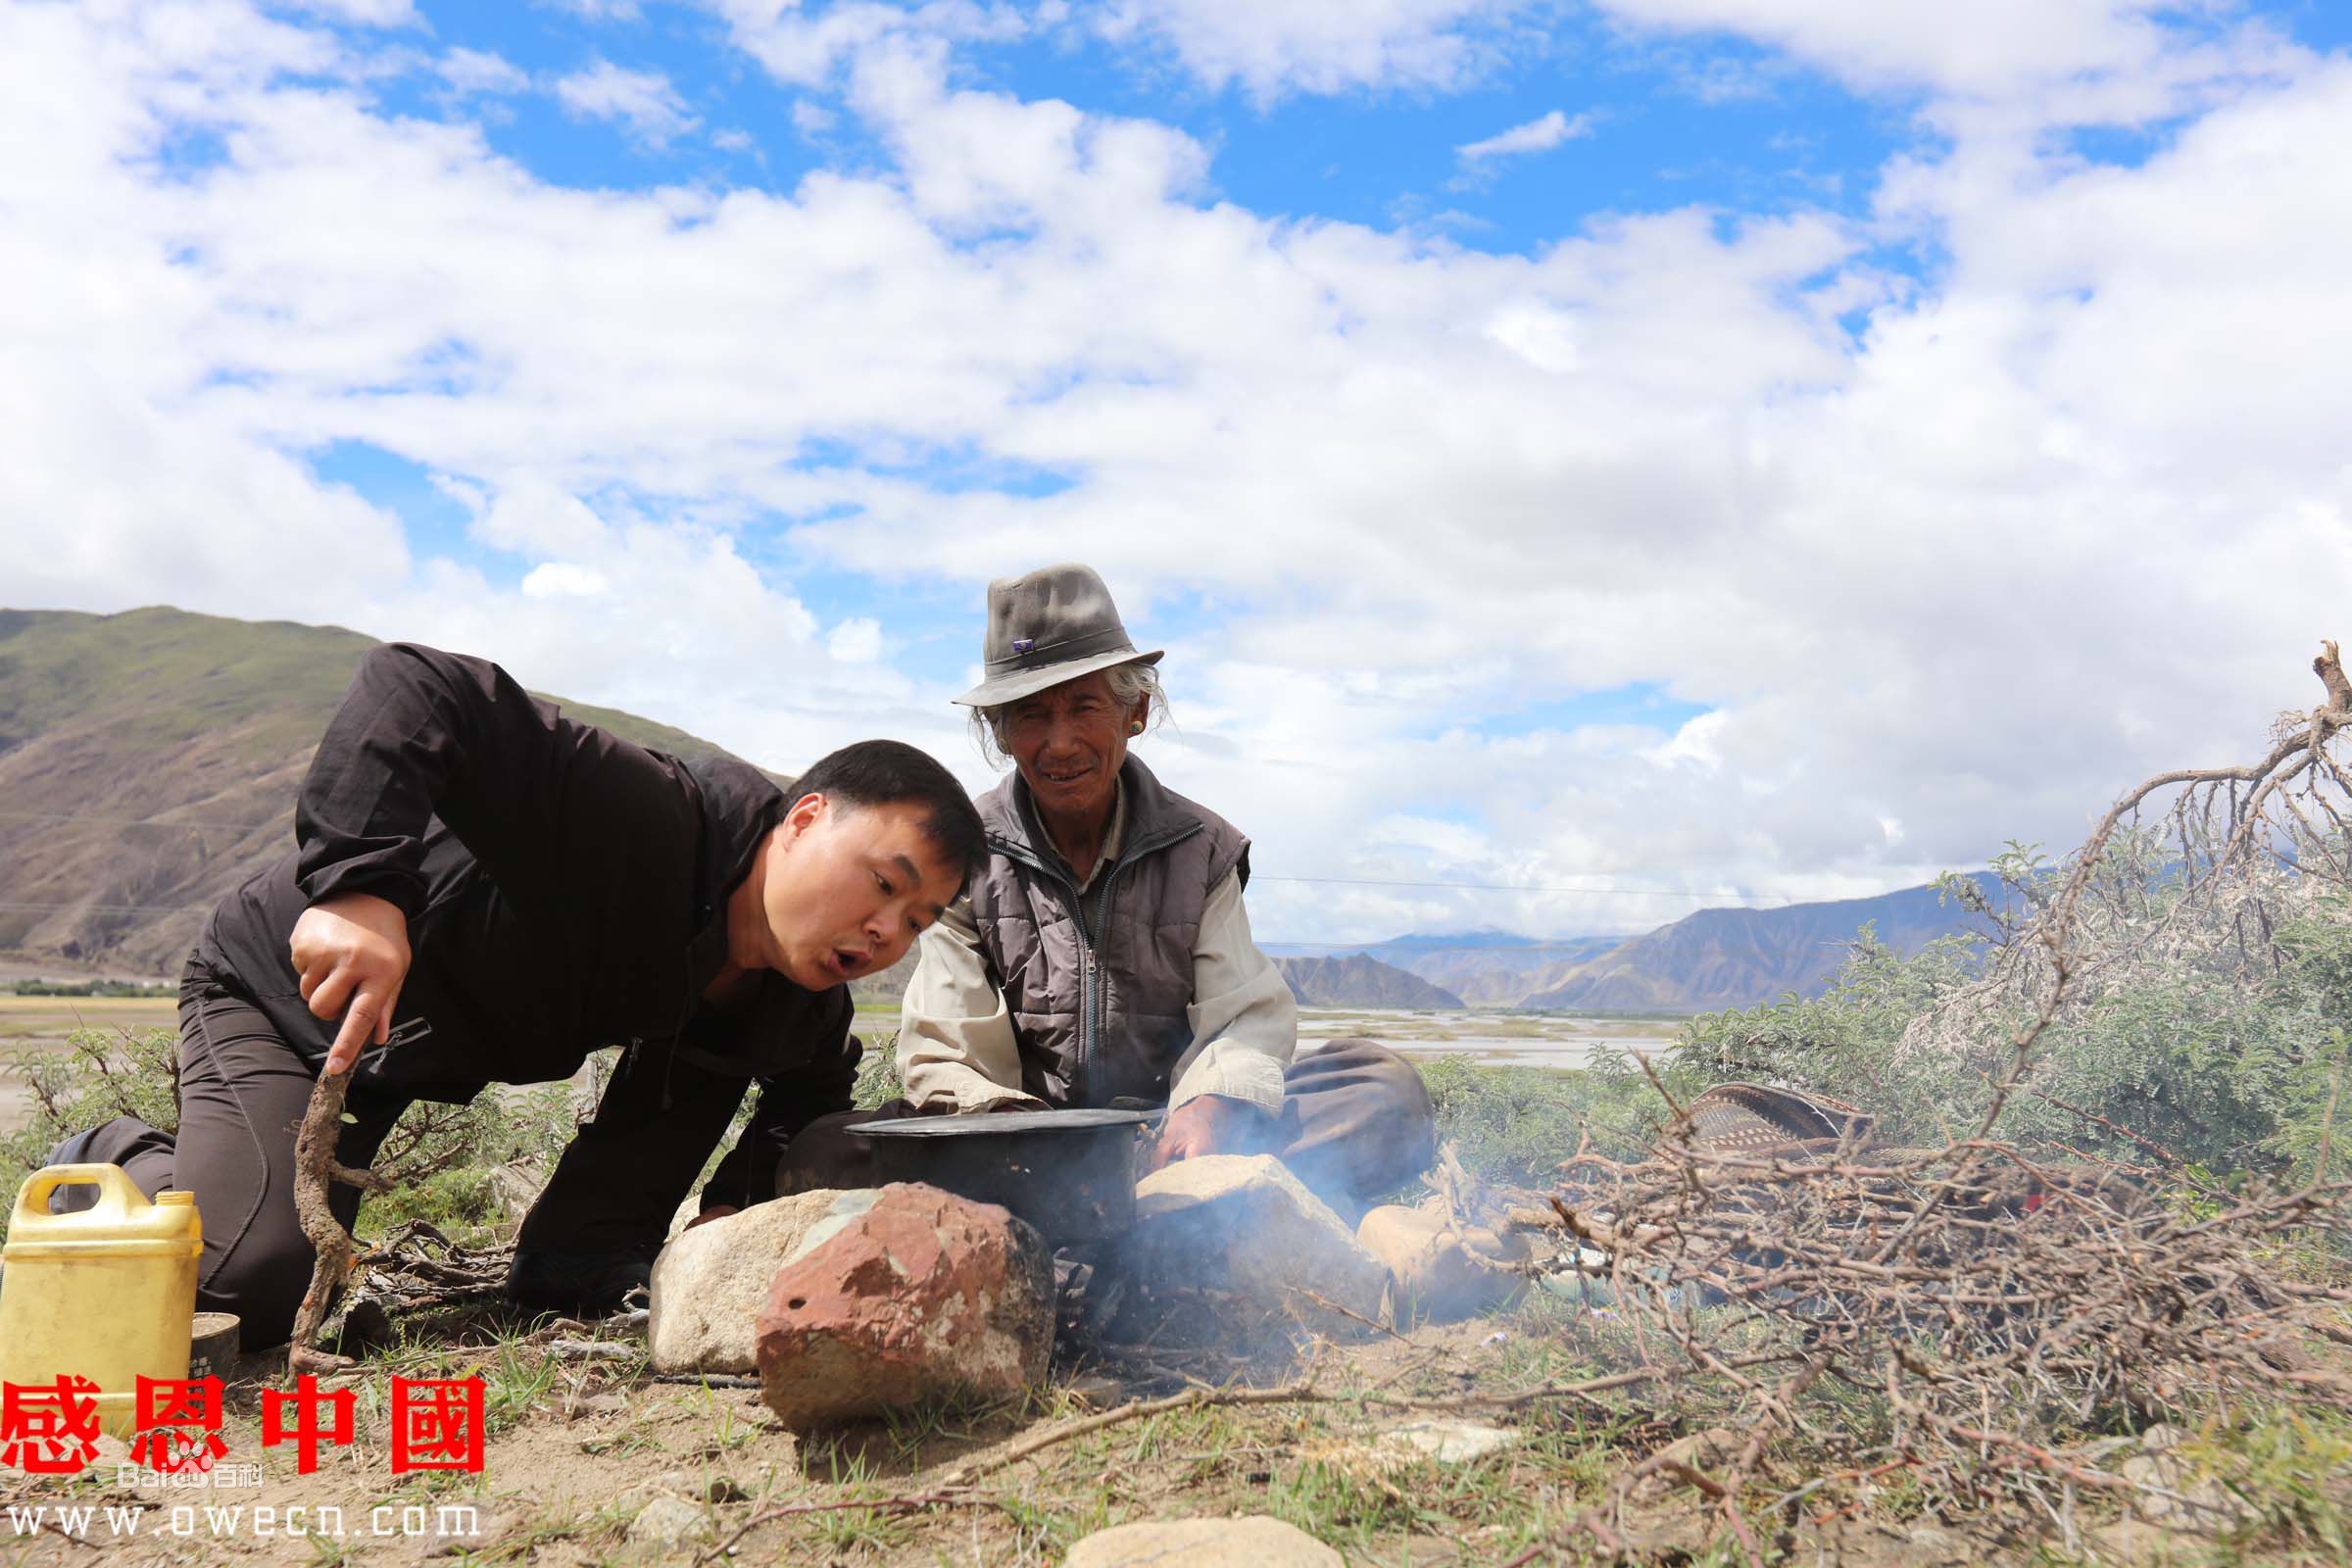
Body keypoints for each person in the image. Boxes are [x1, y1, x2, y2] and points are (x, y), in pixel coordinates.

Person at [48, 642, 982, 1348]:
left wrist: (736, 1213)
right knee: (250, 1284)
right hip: (290, 999)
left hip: (406, 1049)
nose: (885, 933)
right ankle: (113, 1154)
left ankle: (575, 1254)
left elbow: (810, 1089)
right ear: (805, 820)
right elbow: (419, 683)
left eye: (917, 919)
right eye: (883, 884)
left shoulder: (796, 991)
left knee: (616, 1223)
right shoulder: (644, 818)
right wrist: (359, 888)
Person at [777, 564, 1435, 1216]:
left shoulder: (1201, 848)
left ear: (1135, 712)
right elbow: (952, 1048)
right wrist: (1027, 1140)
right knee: (825, 1148)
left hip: (1167, 1136)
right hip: (1017, 1146)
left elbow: (1243, 1015)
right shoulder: (962, 857)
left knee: (1382, 1091)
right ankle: (1146, 1213)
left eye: (1084, 707)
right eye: (1031, 715)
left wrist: (1212, 1103)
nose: (1059, 743)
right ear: (1001, 732)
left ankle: (1148, 1199)